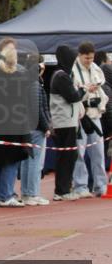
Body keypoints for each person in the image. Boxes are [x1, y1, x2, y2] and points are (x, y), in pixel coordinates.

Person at [0, 39, 32, 207]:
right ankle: (6, 195)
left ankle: (0, 195)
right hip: (14, 124)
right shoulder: (18, 77)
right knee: (11, 160)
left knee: (0, 161)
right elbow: (24, 103)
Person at [71, 42, 109, 198]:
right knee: (79, 153)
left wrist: (96, 87)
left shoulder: (95, 68)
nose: (89, 61)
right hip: (81, 115)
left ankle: (100, 186)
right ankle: (80, 186)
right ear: (79, 55)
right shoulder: (73, 70)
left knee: (98, 152)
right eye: (87, 58)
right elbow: (72, 93)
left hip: (95, 114)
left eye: (92, 58)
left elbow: (102, 81)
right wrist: (86, 89)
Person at [48, 45, 84, 200]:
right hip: (64, 122)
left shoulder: (61, 75)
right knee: (67, 156)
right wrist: (83, 90)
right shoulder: (61, 76)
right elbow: (73, 96)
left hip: (66, 121)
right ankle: (62, 191)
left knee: (68, 156)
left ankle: (64, 188)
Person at [19, 54, 52, 205]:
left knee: (27, 161)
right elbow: (38, 109)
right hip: (36, 128)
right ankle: (32, 193)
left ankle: (27, 193)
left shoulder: (27, 81)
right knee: (35, 162)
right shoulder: (35, 84)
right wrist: (46, 127)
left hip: (28, 127)